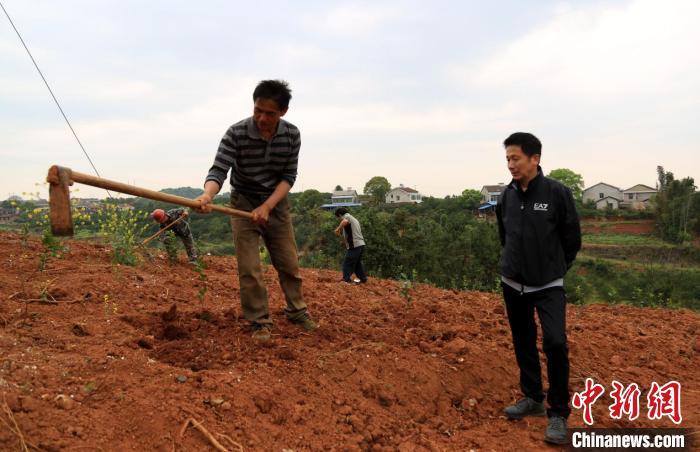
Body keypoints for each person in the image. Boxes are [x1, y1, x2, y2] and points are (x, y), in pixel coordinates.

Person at [194, 79, 317, 342]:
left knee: (288, 263)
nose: (261, 117)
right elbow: (219, 170)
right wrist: (207, 194)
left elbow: (288, 177)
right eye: (257, 110)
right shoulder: (236, 133)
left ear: (283, 112)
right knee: (249, 267)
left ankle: (296, 310)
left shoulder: (292, 135)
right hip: (243, 201)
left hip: (275, 202)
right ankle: (259, 322)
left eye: (269, 113)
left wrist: (268, 206)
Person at [496, 132, 581, 445]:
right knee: (523, 340)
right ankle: (532, 397)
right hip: (512, 283)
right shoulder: (506, 196)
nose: (510, 165)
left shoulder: (557, 193)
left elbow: (572, 239)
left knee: (556, 342)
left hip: (548, 285)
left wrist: (554, 268)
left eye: (515, 158)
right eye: (507, 159)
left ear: (535, 158)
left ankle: (557, 412)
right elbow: (505, 236)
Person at [334, 207, 368, 284]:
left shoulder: (347, 216)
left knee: (348, 262)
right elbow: (349, 233)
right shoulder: (354, 219)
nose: (339, 220)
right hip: (360, 244)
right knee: (356, 264)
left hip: (355, 245)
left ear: (340, 215)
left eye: (338, 218)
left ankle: (345, 279)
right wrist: (344, 241)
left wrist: (338, 229)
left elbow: (345, 221)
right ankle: (363, 279)